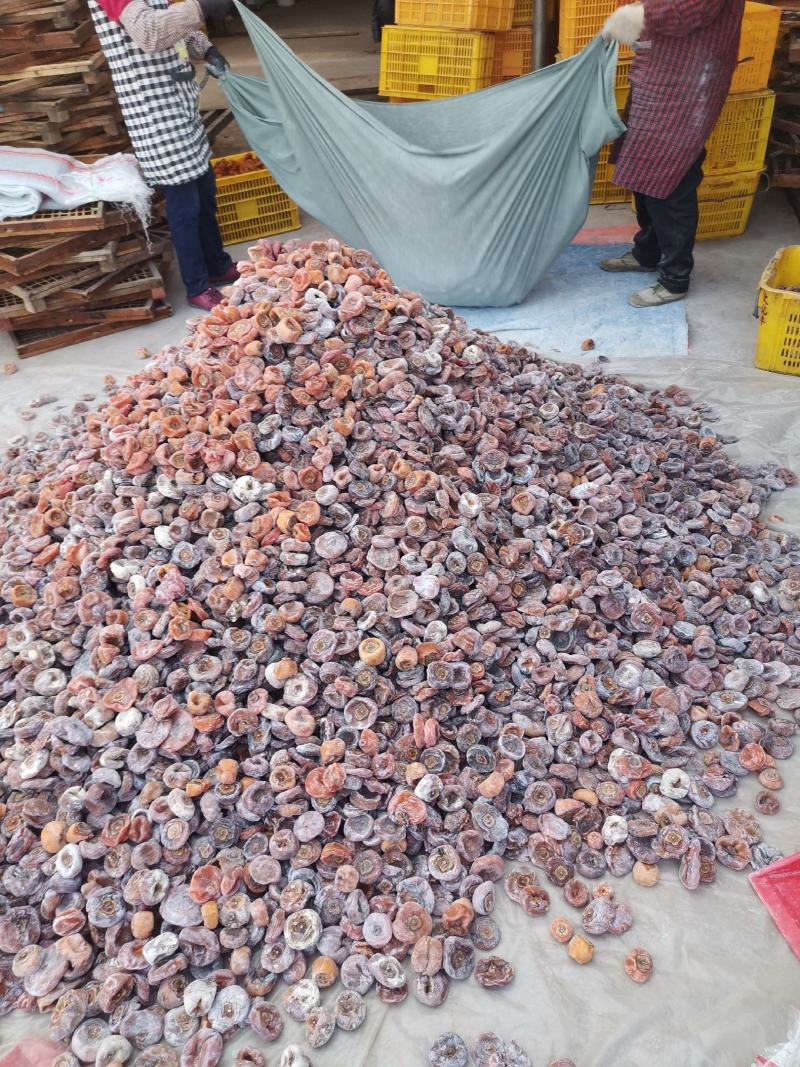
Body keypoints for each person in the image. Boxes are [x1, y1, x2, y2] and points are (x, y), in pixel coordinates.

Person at [88, 0, 239, 311]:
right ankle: (197, 286)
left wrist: (206, 49)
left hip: (179, 106)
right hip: (154, 116)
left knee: (205, 192)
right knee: (185, 205)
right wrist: (202, 6)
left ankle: (217, 264)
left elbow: (173, 27)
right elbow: (151, 32)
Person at [600, 0, 745, 308]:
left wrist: (641, 14)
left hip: (688, 79)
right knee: (644, 170)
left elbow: (692, 9)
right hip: (659, 70)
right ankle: (647, 253)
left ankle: (675, 277)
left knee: (672, 177)